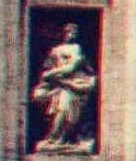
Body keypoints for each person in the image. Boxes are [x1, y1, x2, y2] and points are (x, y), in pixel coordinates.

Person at [31, 24, 98, 152]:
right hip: (59, 87)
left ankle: (64, 139)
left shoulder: (77, 49)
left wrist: (53, 75)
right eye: (69, 32)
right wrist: (47, 82)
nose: (72, 35)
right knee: (60, 111)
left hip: (73, 85)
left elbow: (73, 67)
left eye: (74, 32)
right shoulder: (55, 51)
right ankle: (54, 139)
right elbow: (47, 68)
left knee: (69, 113)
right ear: (64, 34)